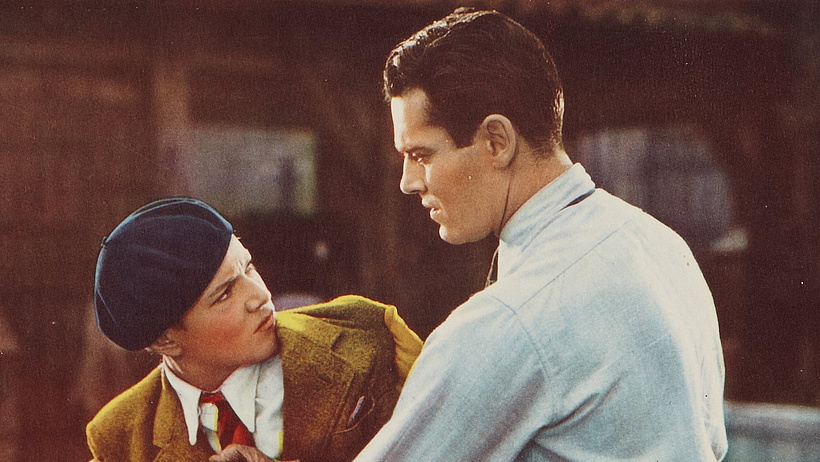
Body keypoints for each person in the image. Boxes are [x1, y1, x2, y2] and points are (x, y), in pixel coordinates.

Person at [356, 7, 727, 461]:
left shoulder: (506, 322)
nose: (408, 182)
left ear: (496, 141)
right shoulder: (664, 248)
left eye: (421, 155)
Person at [86, 197, 422, 462]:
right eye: (225, 294)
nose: (260, 295)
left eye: (248, 267)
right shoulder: (120, 437)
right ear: (166, 340)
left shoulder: (363, 333)